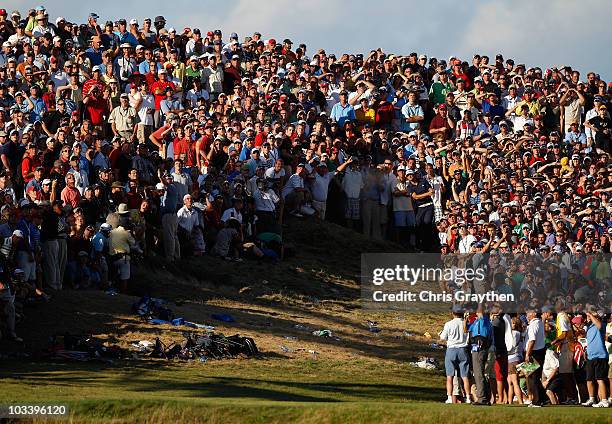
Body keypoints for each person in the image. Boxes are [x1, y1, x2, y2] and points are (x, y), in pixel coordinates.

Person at [439, 307, 471, 404]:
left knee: (450, 376)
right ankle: (468, 397)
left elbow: (443, 337)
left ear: (453, 313)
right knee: (465, 376)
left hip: (451, 350)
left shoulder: (449, 324)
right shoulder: (466, 323)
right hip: (463, 350)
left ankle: (449, 397)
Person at [582, 308, 610, 407]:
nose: (588, 316)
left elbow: (598, 325)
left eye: (590, 315)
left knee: (600, 379)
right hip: (591, 356)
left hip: (600, 356)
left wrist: (590, 314)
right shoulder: (589, 327)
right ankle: (592, 399)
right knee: (589, 379)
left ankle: (604, 400)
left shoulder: (602, 324)